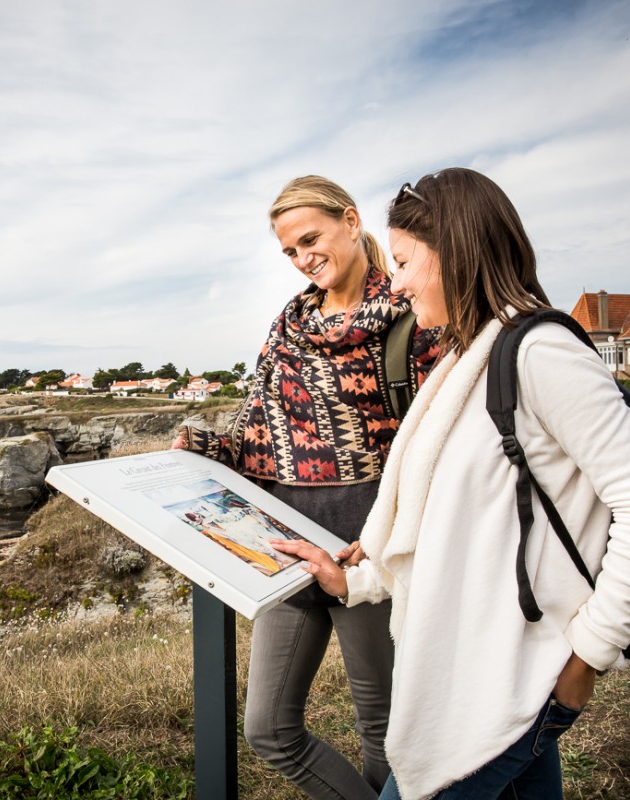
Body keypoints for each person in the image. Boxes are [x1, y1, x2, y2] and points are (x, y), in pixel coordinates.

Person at [271, 168, 630, 800]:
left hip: (510, 682)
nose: (401, 279)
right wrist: (356, 580)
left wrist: (589, 654)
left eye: (410, 261)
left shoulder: (539, 354)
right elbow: (454, 523)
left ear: (458, 254)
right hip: (481, 674)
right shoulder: (468, 356)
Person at [173, 175, 439, 799]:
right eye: (290, 251)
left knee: (383, 728)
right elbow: (258, 432)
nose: (302, 258)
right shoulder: (289, 323)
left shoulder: (410, 315)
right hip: (285, 544)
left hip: (365, 545)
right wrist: (205, 447)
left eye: (310, 239)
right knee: (267, 728)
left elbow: (436, 444)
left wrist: (398, 539)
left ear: (350, 221)